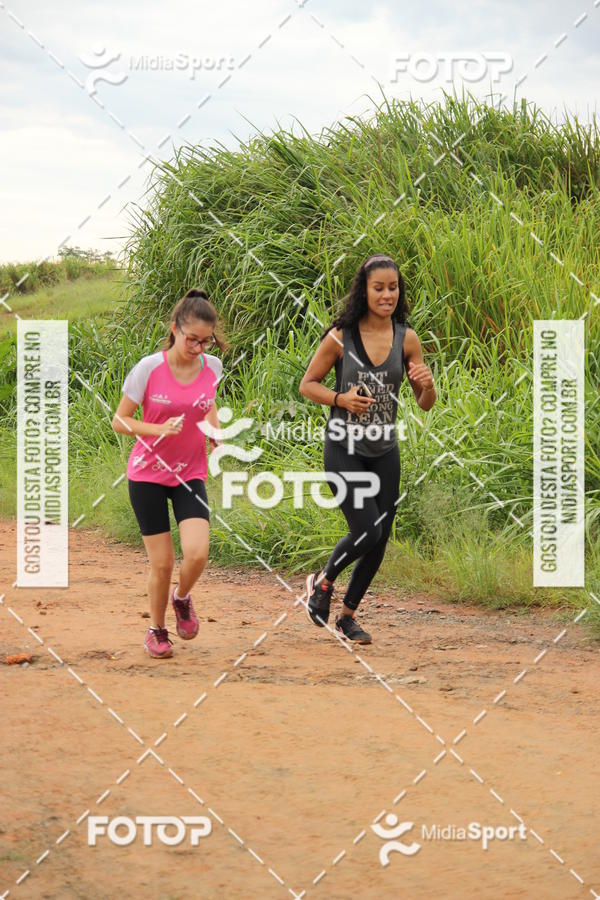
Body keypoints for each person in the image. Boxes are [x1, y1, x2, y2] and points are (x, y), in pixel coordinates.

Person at [299, 254, 436, 644]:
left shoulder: (406, 338)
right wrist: (340, 399)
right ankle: (322, 582)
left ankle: (346, 617)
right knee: (366, 530)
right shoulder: (341, 336)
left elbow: (425, 402)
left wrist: (426, 385)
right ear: (365, 290)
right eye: (379, 288)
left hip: (384, 452)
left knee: (380, 538)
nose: (387, 294)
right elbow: (308, 384)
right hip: (343, 448)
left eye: (393, 288)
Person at [112, 288, 227, 659]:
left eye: (204, 341)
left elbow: (207, 404)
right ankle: (156, 630)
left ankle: (182, 598)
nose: (197, 347)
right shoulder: (149, 368)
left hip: (189, 473)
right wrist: (156, 430)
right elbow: (120, 420)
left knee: (197, 553)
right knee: (161, 563)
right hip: (147, 475)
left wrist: (215, 432)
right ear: (175, 328)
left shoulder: (213, 367)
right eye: (191, 339)